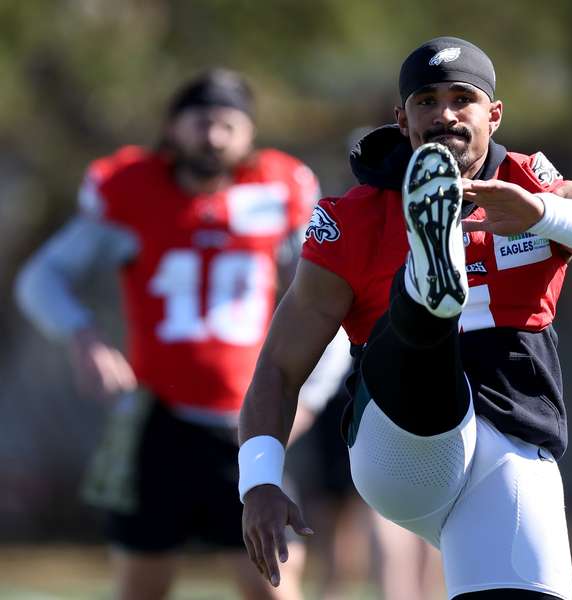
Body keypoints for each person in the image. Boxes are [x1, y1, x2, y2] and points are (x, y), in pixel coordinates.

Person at [238, 36, 572, 600]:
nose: (444, 114)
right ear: (402, 118)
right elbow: (280, 365)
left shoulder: (537, 190)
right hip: (403, 447)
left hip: (511, 444)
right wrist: (259, 481)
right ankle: (426, 284)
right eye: (426, 101)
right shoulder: (356, 219)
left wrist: (544, 215)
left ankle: (429, 282)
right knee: (418, 342)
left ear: (494, 112)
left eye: (462, 98)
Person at [15, 68, 346, 600]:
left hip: (247, 425)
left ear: (250, 133)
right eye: (201, 122)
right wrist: (83, 336)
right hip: (158, 423)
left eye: (227, 124)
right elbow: (40, 279)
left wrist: (308, 395)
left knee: (274, 587)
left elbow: (329, 305)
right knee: (142, 588)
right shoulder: (131, 190)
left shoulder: (279, 191)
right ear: (172, 127)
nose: (213, 136)